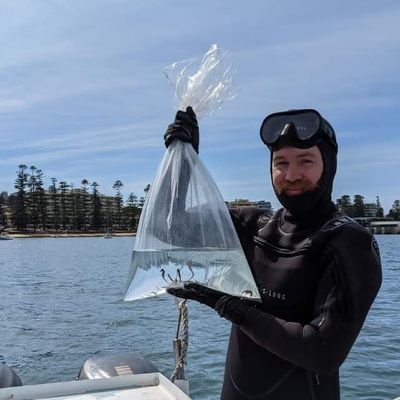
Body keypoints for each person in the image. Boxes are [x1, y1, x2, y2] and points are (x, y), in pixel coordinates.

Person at [164, 107, 382, 400]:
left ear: (328, 165)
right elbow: (172, 228)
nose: (291, 175)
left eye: (305, 161)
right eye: (281, 163)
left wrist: (229, 306)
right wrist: (184, 160)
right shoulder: (253, 225)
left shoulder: (348, 243)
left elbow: (322, 354)